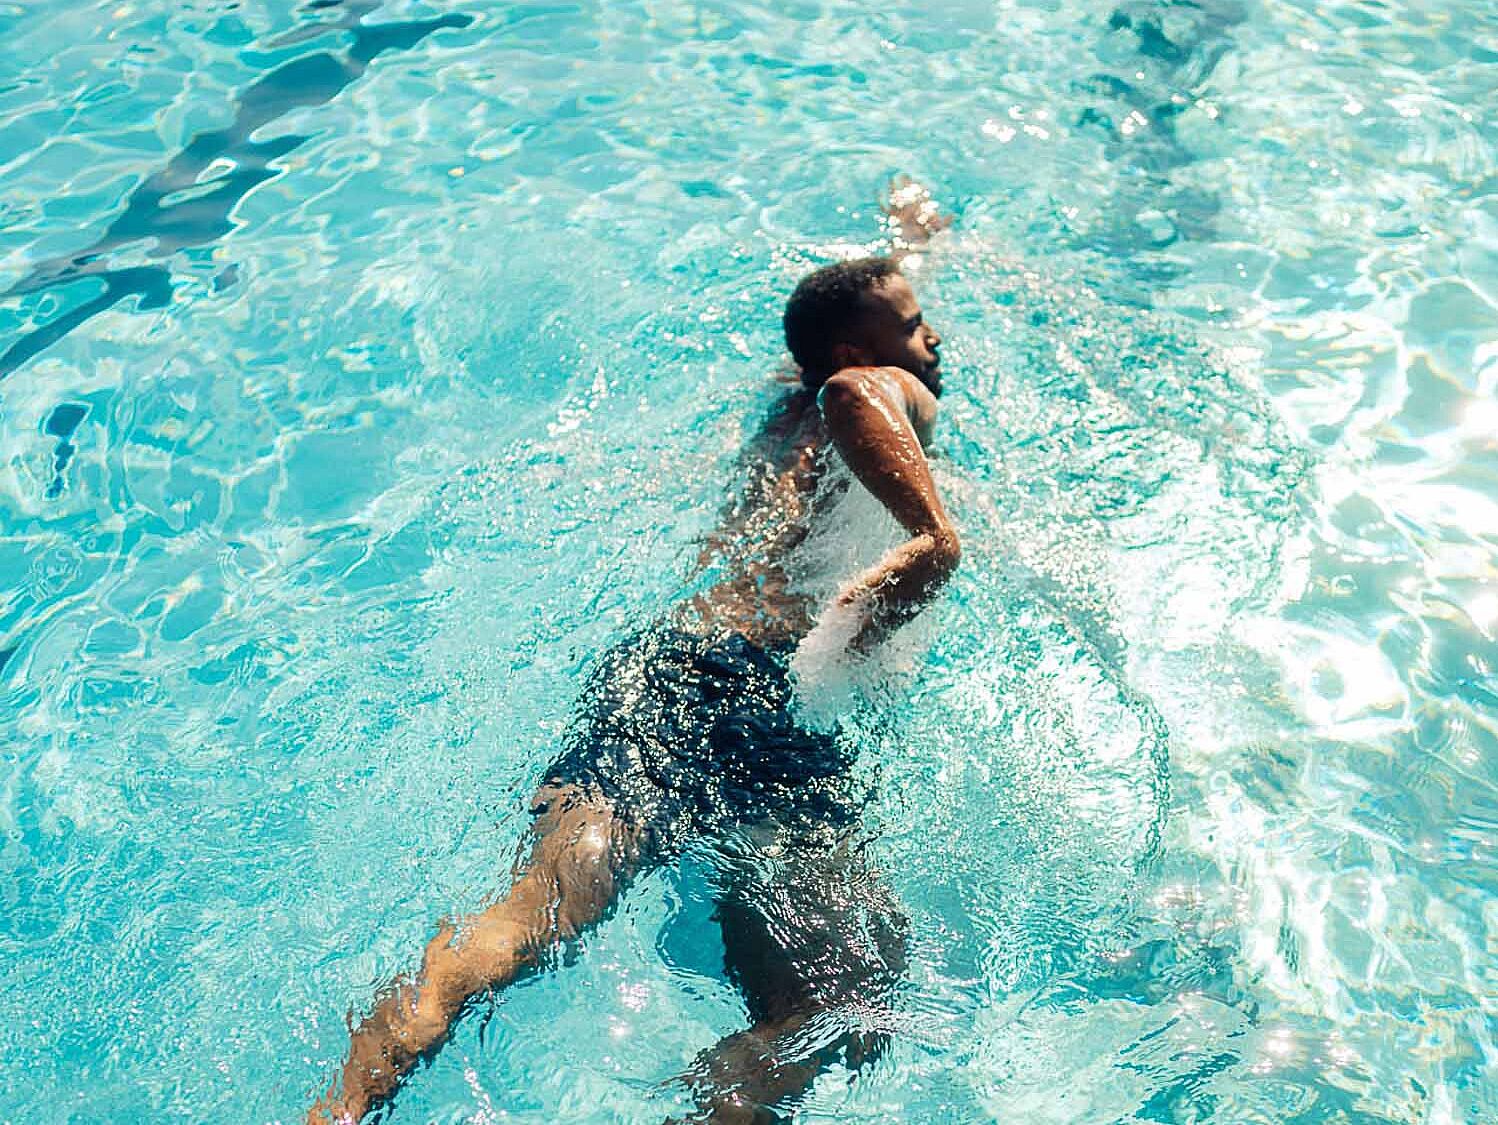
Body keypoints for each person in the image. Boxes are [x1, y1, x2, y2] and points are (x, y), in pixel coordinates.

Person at [308, 186, 959, 1125]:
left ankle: (331, 1111)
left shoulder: (782, 409)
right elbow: (860, 386)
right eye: (916, 324)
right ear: (862, 350)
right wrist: (933, 533)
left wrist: (909, 247)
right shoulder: (880, 392)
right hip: (766, 703)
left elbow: (841, 341)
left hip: (667, 672)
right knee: (841, 1007)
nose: (931, 341)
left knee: (524, 918)